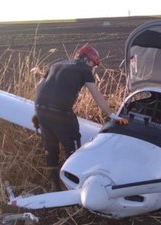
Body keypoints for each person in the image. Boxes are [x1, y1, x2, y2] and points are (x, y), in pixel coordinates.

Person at [32, 45, 128, 191]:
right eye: (93, 64)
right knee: (73, 147)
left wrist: (37, 112)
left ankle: (54, 184)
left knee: (50, 147)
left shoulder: (57, 64)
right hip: (60, 113)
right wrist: (111, 115)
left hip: (40, 109)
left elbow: (40, 87)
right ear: (87, 60)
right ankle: (73, 187)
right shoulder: (84, 69)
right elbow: (96, 95)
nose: (93, 68)